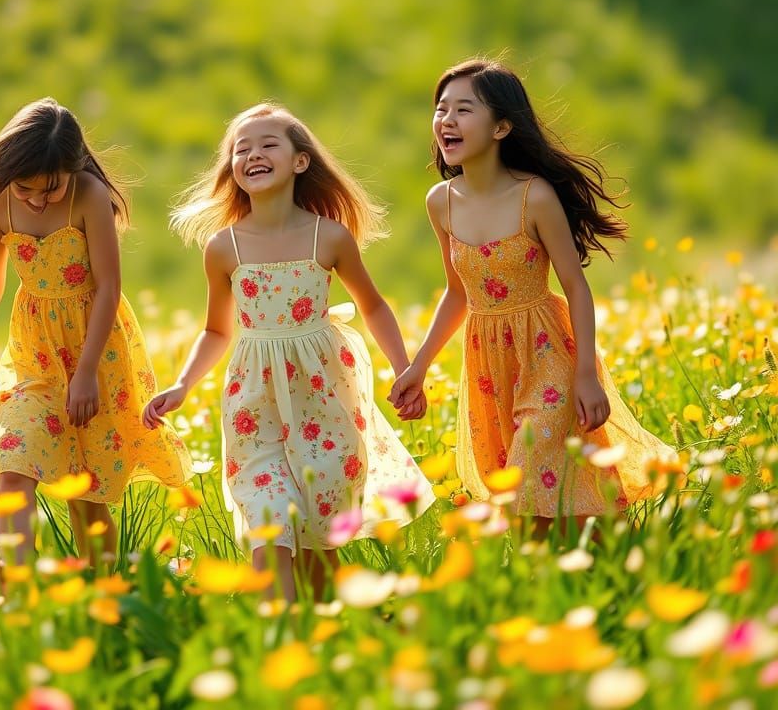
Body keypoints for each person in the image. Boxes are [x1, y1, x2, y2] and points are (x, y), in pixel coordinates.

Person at [142, 102, 434, 601]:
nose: (253, 154)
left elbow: (374, 306)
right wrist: (182, 384)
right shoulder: (224, 247)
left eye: (268, 144)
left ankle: (319, 631)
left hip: (324, 396)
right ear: (232, 169)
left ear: (300, 161)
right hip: (254, 400)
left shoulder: (329, 237)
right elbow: (216, 331)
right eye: (241, 148)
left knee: (321, 536)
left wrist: (404, 368)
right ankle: (277, 632)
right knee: (269, 522)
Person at [390, 59, 676, 532]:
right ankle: (570, 567)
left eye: (464, 110)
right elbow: (457, 293)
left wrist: (587, 373)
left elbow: (576, 289)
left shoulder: (534, 197)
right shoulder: (440, 202)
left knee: (532, 455)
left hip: (546, 348)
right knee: (527, 492)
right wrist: (417, 368)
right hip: (488, 361)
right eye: (441, 110)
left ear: (502, 126)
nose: (447, 121)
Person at [0, 98, 191, 564]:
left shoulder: (88, 194)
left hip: (98, 351)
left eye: (51, 188)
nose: (39, 199)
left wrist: (86, 371)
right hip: (36, 357)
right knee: (12, 460)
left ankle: (102, 587)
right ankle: (19, 586)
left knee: (86, 490)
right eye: (28, 188)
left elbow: (109, 287)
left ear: (75, 165)